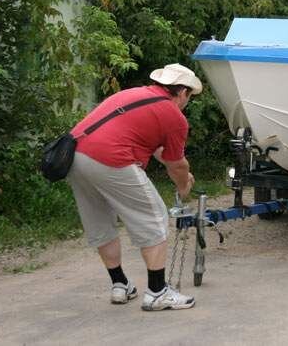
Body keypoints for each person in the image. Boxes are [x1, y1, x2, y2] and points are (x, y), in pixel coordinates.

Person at [66, 63, 202, 310]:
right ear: (182, 92)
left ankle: (120, 285)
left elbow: (157, 150)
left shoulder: (133, 94)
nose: (187, 101)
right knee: (155, 217)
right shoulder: (174, 116)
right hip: (113, 158)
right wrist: (184, 186)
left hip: (75, 156)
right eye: (189, 96)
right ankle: (157, 292)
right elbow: (175, 163)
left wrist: (181, 170)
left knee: (99, 220)